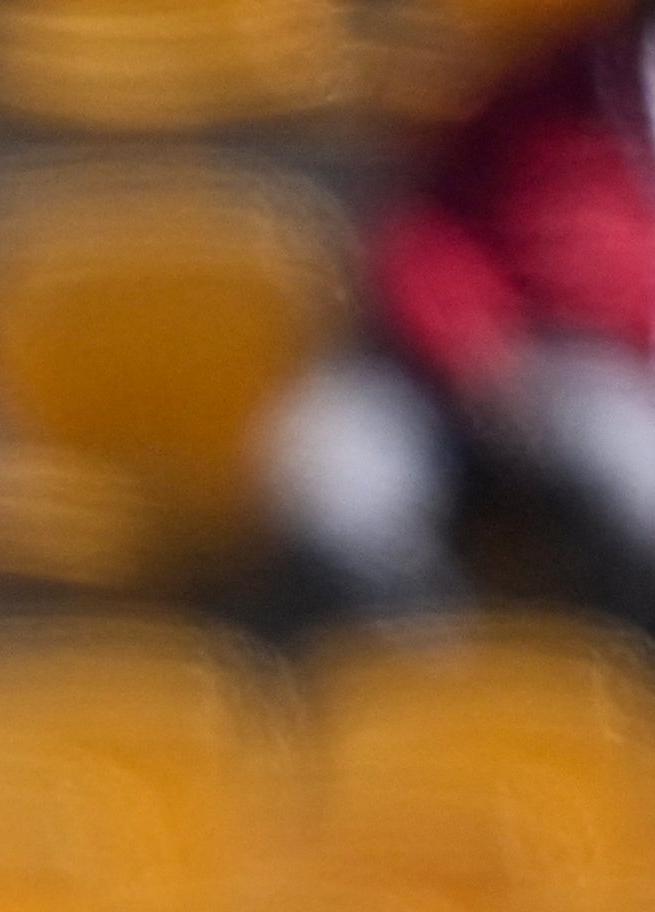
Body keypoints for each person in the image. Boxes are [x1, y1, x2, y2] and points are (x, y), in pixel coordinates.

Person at [268, 0, 655, 611]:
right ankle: (431, 675)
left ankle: (623, 682)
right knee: (333, 474)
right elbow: (426, 234)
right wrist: (472, 342)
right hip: (488, 359)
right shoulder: (545, 90)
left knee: (642, 480)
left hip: (616, 373)